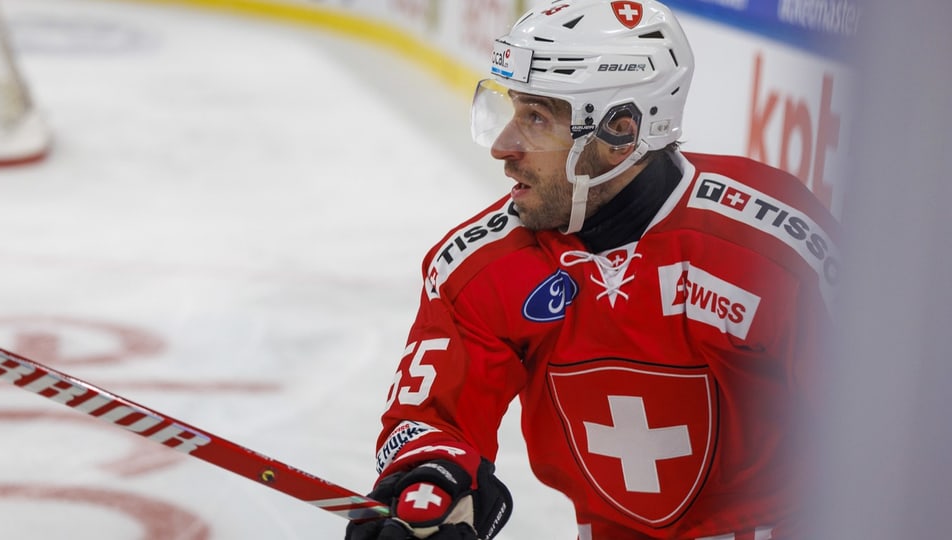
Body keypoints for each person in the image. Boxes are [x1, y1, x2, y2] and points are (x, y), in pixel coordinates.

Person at [346, 1, 838, 539]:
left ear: (621, 133)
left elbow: (892, 434)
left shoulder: (775, 250)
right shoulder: (481, 267)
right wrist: (433, 481)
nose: (503, 146)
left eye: (537, 118)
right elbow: (436, 419)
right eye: (511, 110)